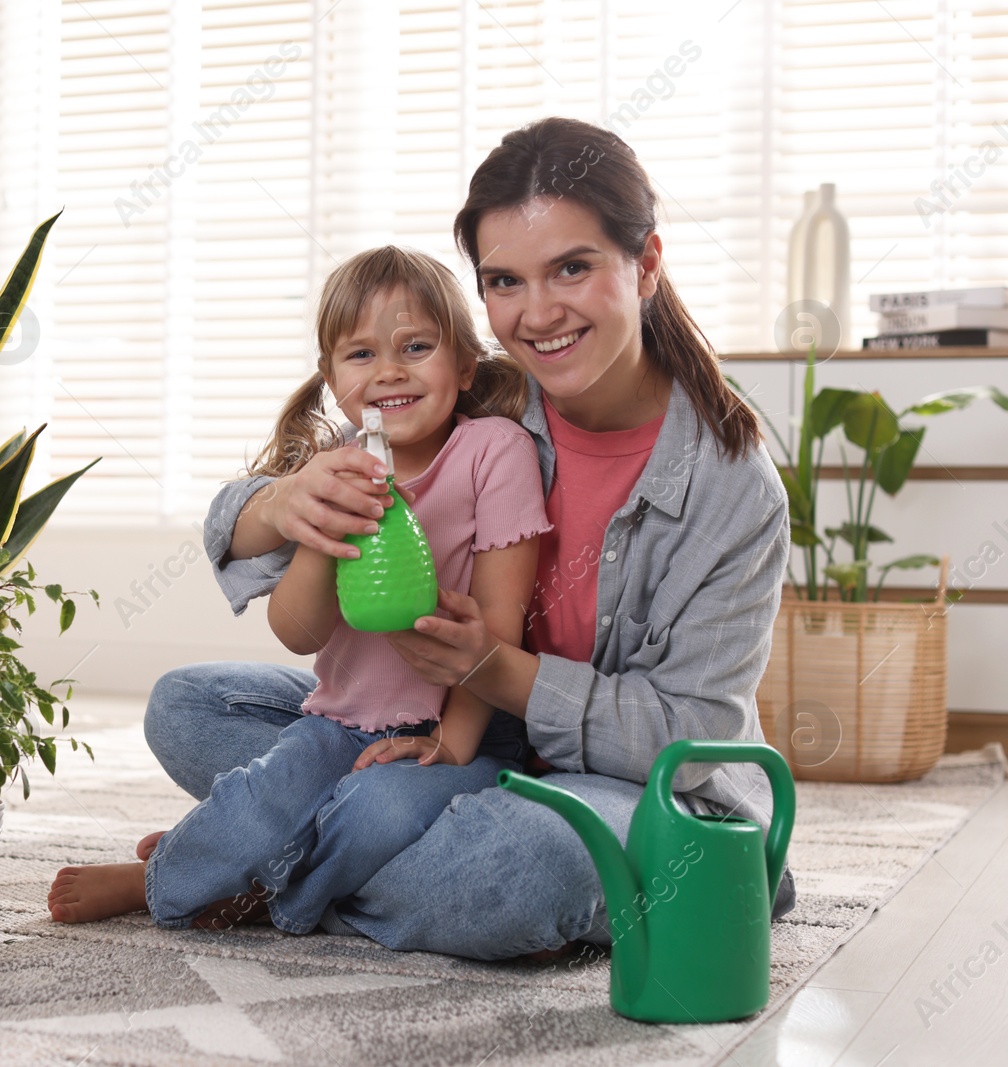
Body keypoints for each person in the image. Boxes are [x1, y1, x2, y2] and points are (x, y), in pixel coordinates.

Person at [130, 115, 797, 959]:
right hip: (440, 736)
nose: (538, 311)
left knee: (511, 870)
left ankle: (258, 870)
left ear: (647, 265)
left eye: (573, 268)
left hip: (632, 786)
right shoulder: (481, 398)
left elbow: (687, 735)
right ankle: (327, 847)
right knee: (189, 707)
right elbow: (244, 520)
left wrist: (496, 670)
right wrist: (288, 502)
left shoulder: (732, 487)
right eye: (505, 281)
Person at [47, 246, 550, 930]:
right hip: (341, 724)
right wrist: (319, 535)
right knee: (265, 795)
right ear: (330, 377)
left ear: (463, 363)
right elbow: (298, 633)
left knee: (380, 810)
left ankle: (244, 882)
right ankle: (197, 869)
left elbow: (500, 619)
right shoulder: (332, 467)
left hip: (470, 734)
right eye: (361, 354)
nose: (390, 370)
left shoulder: (494, 451)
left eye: (416, 346)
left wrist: (451, 744)